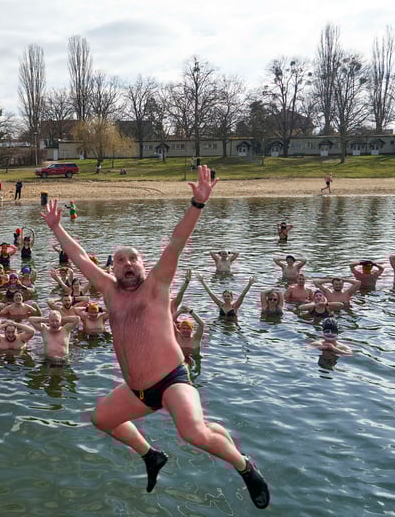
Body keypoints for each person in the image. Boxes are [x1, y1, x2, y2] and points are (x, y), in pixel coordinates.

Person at [40, 166, 270, 509]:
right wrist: (57, 228)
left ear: (144, 265)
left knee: (192, 433)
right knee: (102, 419)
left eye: (133, 259)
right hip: (138, 390)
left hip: (172, 380)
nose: (127, 264)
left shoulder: (157, 285)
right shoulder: (108, 290)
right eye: (120, 261)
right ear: (112, 268)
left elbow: (177, 243)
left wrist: (197, 203)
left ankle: (244, 466)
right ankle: (151, 456)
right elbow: (79, 258)